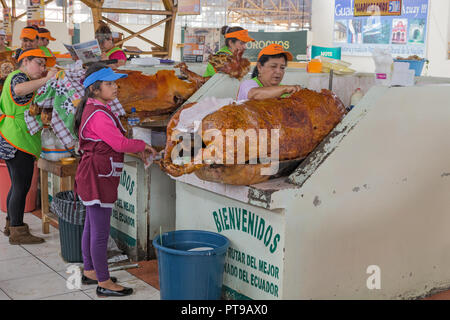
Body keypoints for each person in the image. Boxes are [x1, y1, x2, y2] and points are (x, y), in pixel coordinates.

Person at [73, 63, 157, 297]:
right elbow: (119, 143)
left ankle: (90, 270)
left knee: (91, 225)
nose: (115, 87)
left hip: (95, 174)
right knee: (99, 231)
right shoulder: (98, 114)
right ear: (94, 89)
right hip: (96, 175)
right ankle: (104, 282)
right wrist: (142, 145)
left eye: (114, 82)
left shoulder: (95, 108)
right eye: (109, 84)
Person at [0, 48, 57, 244]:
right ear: (25, 61)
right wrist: (47, 79)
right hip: (17, 138)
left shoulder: (21, 77)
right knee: (21, 186)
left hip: (13, 135)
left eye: (44, 65)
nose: (42, 68)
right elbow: (19, 91)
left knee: (17, 184)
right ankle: (18, 232)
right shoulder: (18, 77)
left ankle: (11, 225)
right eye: (39, 63)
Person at [237, 43, 302, 100]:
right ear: (259, 67)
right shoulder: (247, 85)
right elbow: (254, 95)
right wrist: (285, 89)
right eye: (273, 66)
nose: (278, 71)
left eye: (282, 67)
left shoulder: (286, 92)